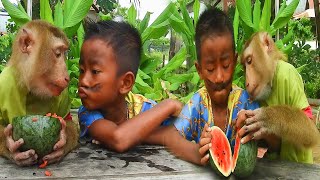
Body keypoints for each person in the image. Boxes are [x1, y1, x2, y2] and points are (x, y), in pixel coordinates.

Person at [145, 8, 259, 165]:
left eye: (226, 65)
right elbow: (172, 136)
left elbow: (274, 143)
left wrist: (258, 129)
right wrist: (197, 152)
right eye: (210, 69)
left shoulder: (246, 102)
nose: (219, 77)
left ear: (234, 61)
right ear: (199, 70)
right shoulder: (197, 104)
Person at [77, 20, 182, 153]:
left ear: (125, 83)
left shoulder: (146, 108)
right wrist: (169, 104)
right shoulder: (87, 113)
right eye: (81, 70)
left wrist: (134, 135)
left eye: (95, 71)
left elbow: (181, 131)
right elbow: (119, 139)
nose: (83, 81)